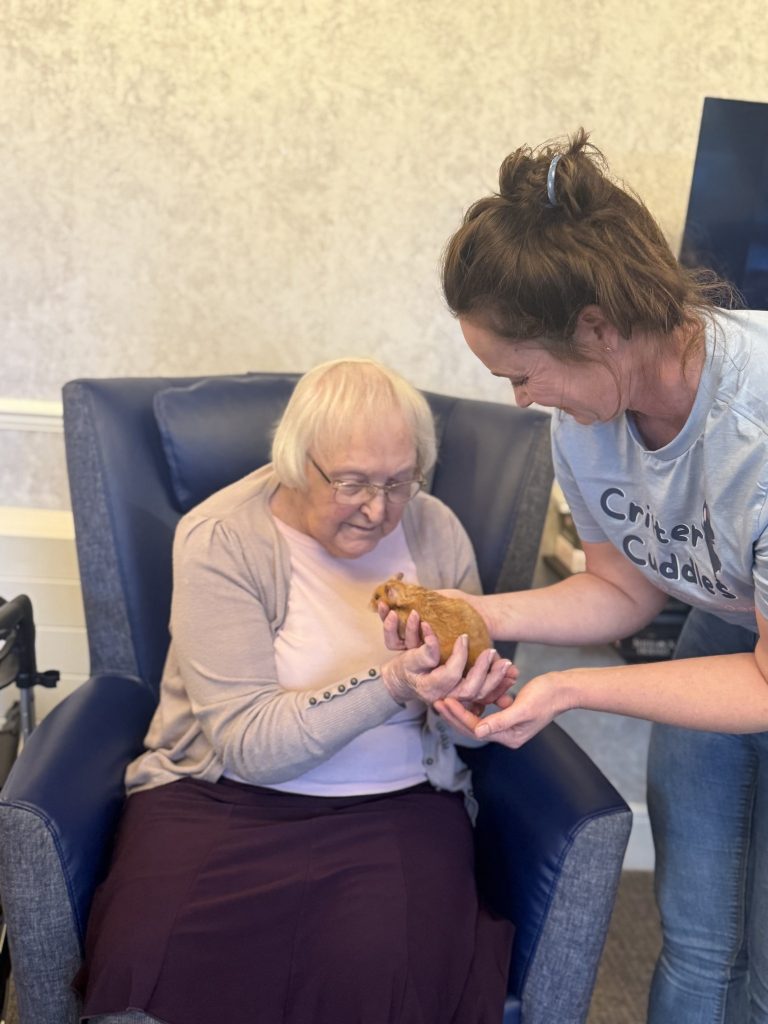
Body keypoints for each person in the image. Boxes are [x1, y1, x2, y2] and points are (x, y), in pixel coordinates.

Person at [421, 129, 768, 1023]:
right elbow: (624, 591)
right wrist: (474, 610)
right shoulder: (586, 428)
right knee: (694, 937)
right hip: (731, 628)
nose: (520, 400)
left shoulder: (757, 428)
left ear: (596, 330)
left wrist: (566, 689)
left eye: (522, 373)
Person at [73, 357, 516, 1024]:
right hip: (217, 796)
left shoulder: (435, 529)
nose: (378, 509)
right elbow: (249, 745)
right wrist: (394, 683)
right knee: (155, 967)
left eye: (400, 481)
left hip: (396, 805)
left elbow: (457, 725)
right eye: (352, 483)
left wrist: (472, 701)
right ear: (294, 463)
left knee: (382, 976)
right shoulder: (222, 538)